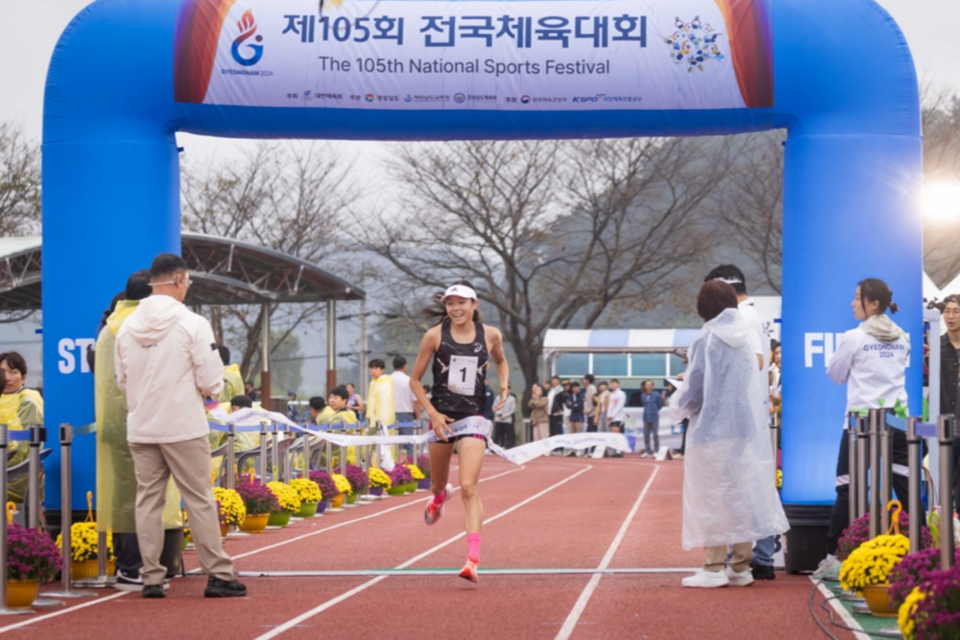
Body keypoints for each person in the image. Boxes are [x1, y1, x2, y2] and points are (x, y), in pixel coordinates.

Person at [115, 253, 245, 599]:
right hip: (183, 424)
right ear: (177, 280)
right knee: (199, 499)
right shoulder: (193, 323)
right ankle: (218, 574)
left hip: (141, 425)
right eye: (187, 282)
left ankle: (151, 578)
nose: (187, 288)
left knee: (148, 502)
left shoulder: (126, 326)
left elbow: (122, 380)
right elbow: (210, 379)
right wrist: (208, 392)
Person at [678, 281, 788, 588]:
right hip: (743, 428)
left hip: (713, 430)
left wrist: (679, 404)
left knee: (712, 494)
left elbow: (694, 389)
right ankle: (741, 566)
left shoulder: (707, 339)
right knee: (740, 494)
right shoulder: (743, 339)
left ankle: (713, 567)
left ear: (705, 306)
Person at [818, 278, 919, 577]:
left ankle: (833, 560)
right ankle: (924, 558)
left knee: (849, 489)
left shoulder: (854, 336)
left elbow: (836, 375)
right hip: (899, 420)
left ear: (873, 304)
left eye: (857, 297)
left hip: (861, 421)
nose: (852, 302)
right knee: (907, 490)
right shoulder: (902, 335)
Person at [409, 281, 509, 583]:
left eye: (461, 303)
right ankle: (440, 497)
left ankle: (472, 559)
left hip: (474, 417)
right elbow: (415, 380)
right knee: (437, 484)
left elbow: (501, 360)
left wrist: (504, 384)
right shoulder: (435, 336)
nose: (456, 308)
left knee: (469, 487)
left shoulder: (490, 335)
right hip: (442, 418)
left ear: (474, 304)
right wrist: (433, 413)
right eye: (450, 303)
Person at [96, 269, 183, 591]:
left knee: (122, 496)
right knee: (144, 498)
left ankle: (126, 565)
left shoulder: (109, 327)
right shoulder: (144, 326)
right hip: (146, 421)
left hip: (115, 423)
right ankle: (137, 567)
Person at [705, 264, 774, 580]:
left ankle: (750, 558)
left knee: (734, 488)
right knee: (749, 484)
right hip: (748, 411)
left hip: (738, 414)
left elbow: (756, 360)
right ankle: (753, 558)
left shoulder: (742, 318)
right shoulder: (749, 315)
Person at [0, 351, 44, 505]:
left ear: (24, 377)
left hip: (19, 477)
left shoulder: (27, 401)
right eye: (3, 372)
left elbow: (22, 449)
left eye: (14, 372)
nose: (8, 378)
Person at [940, 294, 960, 512]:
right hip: (945, 429)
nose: (950, 316)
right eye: (947, 311)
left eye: (956, 311)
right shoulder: (936, 348)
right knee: (944, 488)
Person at [392, 356, 420, 461]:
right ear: (405, 367)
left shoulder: (387, 381)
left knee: (390, 444)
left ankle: (391, 468)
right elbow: (416, 401)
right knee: (409, 444)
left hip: (390, 416)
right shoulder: (409, 381)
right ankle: (412, 469)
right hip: (406, 415)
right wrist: (418, 417)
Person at [639, 381, 664, 459]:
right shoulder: (643, 396)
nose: (648, 386)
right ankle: (647, 451)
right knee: (646, 435)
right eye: (647, 385)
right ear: (645, 386)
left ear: (652, 386)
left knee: (655, 435)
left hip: (654, 417)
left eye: (650, 385)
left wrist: (654, 410)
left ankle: (656, 451)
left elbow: (660, 405)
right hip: (646, 417)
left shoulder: (656, 394)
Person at [493, 382, 516, 448]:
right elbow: (495, 407)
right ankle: (494, 448)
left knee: (509, 435)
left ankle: (509, 447)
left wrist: (505, 415)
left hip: (507, 420)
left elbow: (512, 409)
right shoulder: (498, 398)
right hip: (499, 419)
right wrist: (499, 414)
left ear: (510, 390)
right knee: (497, 435)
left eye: (508, 389)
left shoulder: (512, 399)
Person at [607, 379, 627, 458]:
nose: (613, 385)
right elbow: (610, 406)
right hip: (612, 417)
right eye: (612, 384)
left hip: (618, 417)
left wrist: (613, 415)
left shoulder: (621, 394)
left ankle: (619, 450)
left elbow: (619, 406)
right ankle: (616, 450)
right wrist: (609, 415)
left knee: (618, 434)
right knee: (614, 435)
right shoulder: (611, 395)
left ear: (618, 385)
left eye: (614, 384)